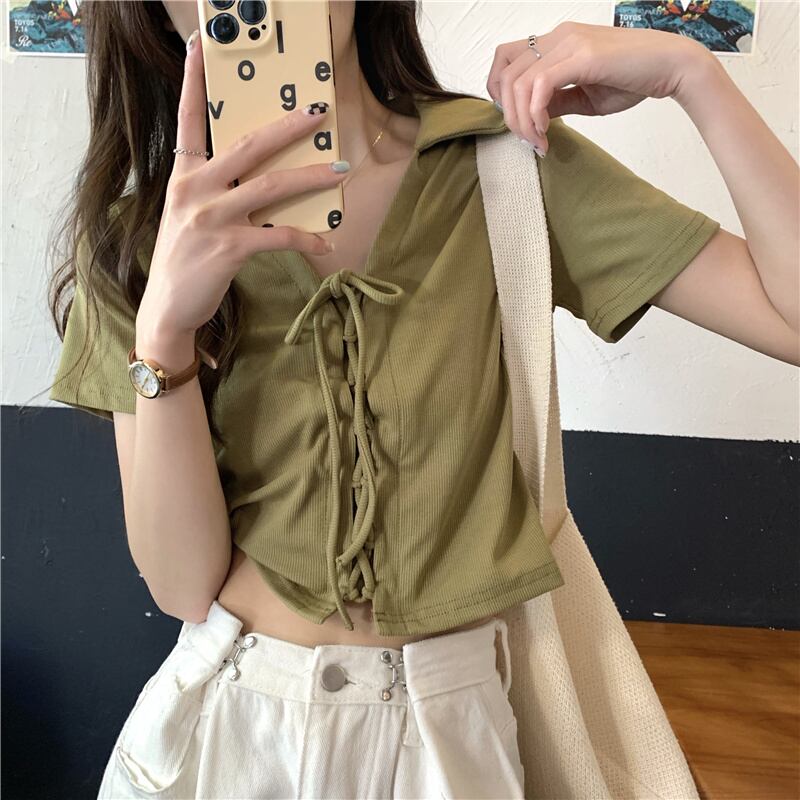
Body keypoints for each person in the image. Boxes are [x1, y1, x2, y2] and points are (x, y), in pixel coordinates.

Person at [46, 2, 798, 798]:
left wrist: (690, 72)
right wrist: (165, 333)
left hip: (451, 738)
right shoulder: (143, 239)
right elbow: (181, 586)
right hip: (230, 733)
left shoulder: (506, 168)